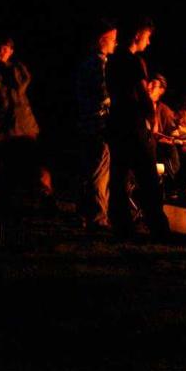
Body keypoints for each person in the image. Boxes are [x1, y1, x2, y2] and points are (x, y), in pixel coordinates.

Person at [105, 17, 170, 241]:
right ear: (137, 35)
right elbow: (143, 95)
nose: (149, 42)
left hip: (116, 124)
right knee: (149, 178)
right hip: (134, 125)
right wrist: (150, 120)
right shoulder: (134, 62)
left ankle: (122, 227)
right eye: (148, 37)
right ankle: (159, 229)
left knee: (119, 177)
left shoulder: (111, 60)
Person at [0, 34, 51, 244]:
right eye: (0, 48)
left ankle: (46, 200)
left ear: (11, 51)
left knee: (37, 165)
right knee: (4, 168)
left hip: (24, 125)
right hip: (3, 127)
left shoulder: (18, 67)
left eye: (6, 48)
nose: (2, 52)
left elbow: (22, 87)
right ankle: (4, 206)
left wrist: (10, 71)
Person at [75, 21, 116, 231]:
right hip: (99, 124)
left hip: (85, 124)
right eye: (113, 39)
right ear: (103, 40)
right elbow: (103, 94)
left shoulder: (85, 63)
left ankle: (82, 213)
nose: (116, 43)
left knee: (88, 170)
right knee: (100, 172)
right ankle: (98, 218)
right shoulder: (100, 64)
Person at [148, 73, 181, 190]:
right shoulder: (138, 104)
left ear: (161, 90)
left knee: (168, 147)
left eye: (154, 85)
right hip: (142, 146)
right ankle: (179, 184)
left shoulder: (164, 110)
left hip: (155, 147)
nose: (149, 86)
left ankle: (178, 184)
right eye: (149, 82)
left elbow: (173, 132)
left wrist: (168, 137)